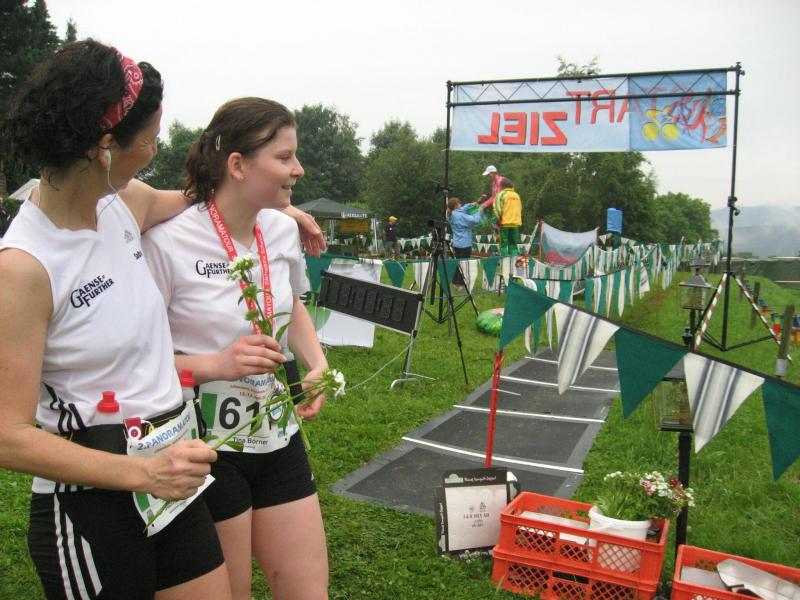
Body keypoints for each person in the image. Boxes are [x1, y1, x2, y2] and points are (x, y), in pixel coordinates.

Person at [0, 39, 234, 599]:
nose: (154, 151)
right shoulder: (25, 268)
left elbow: (201, 200)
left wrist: (285, 209)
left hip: (172, 481)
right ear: (105, 147)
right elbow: (8, 436)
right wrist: (143, 474)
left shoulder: (123, 203)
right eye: (150, 138)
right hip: (95, 506)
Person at [142, 97, 329, 600]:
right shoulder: (168, 241)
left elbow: (291, 304)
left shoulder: (282, 228)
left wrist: (316, 362)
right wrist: (214, 365)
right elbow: (139, 362)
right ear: (238, 165)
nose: (298, 169)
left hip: (276, 433)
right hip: (205, 447)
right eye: (284, 157)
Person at [446, 196, 484, 290]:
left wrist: (476, 202)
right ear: (456, 205)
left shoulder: (450, 214)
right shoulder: (461, 216)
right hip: (465, 244)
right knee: (463, 265)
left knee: (457, 263)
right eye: (459, 203)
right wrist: (480, 210)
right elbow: (475, 220)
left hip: (456, 243)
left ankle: (455, 283)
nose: (461, 204)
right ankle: (460, 285)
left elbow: (463, 208)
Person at [492, 177, 523, 257]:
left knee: (504, 244)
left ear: (502, 186)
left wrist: (494, 222)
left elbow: (497, 209)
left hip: (504, 223)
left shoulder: (501, 195)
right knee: (513, 245)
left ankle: (504, 262)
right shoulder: (516, 195)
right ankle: (513, 262)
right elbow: (520, 208)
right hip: (515, 224)